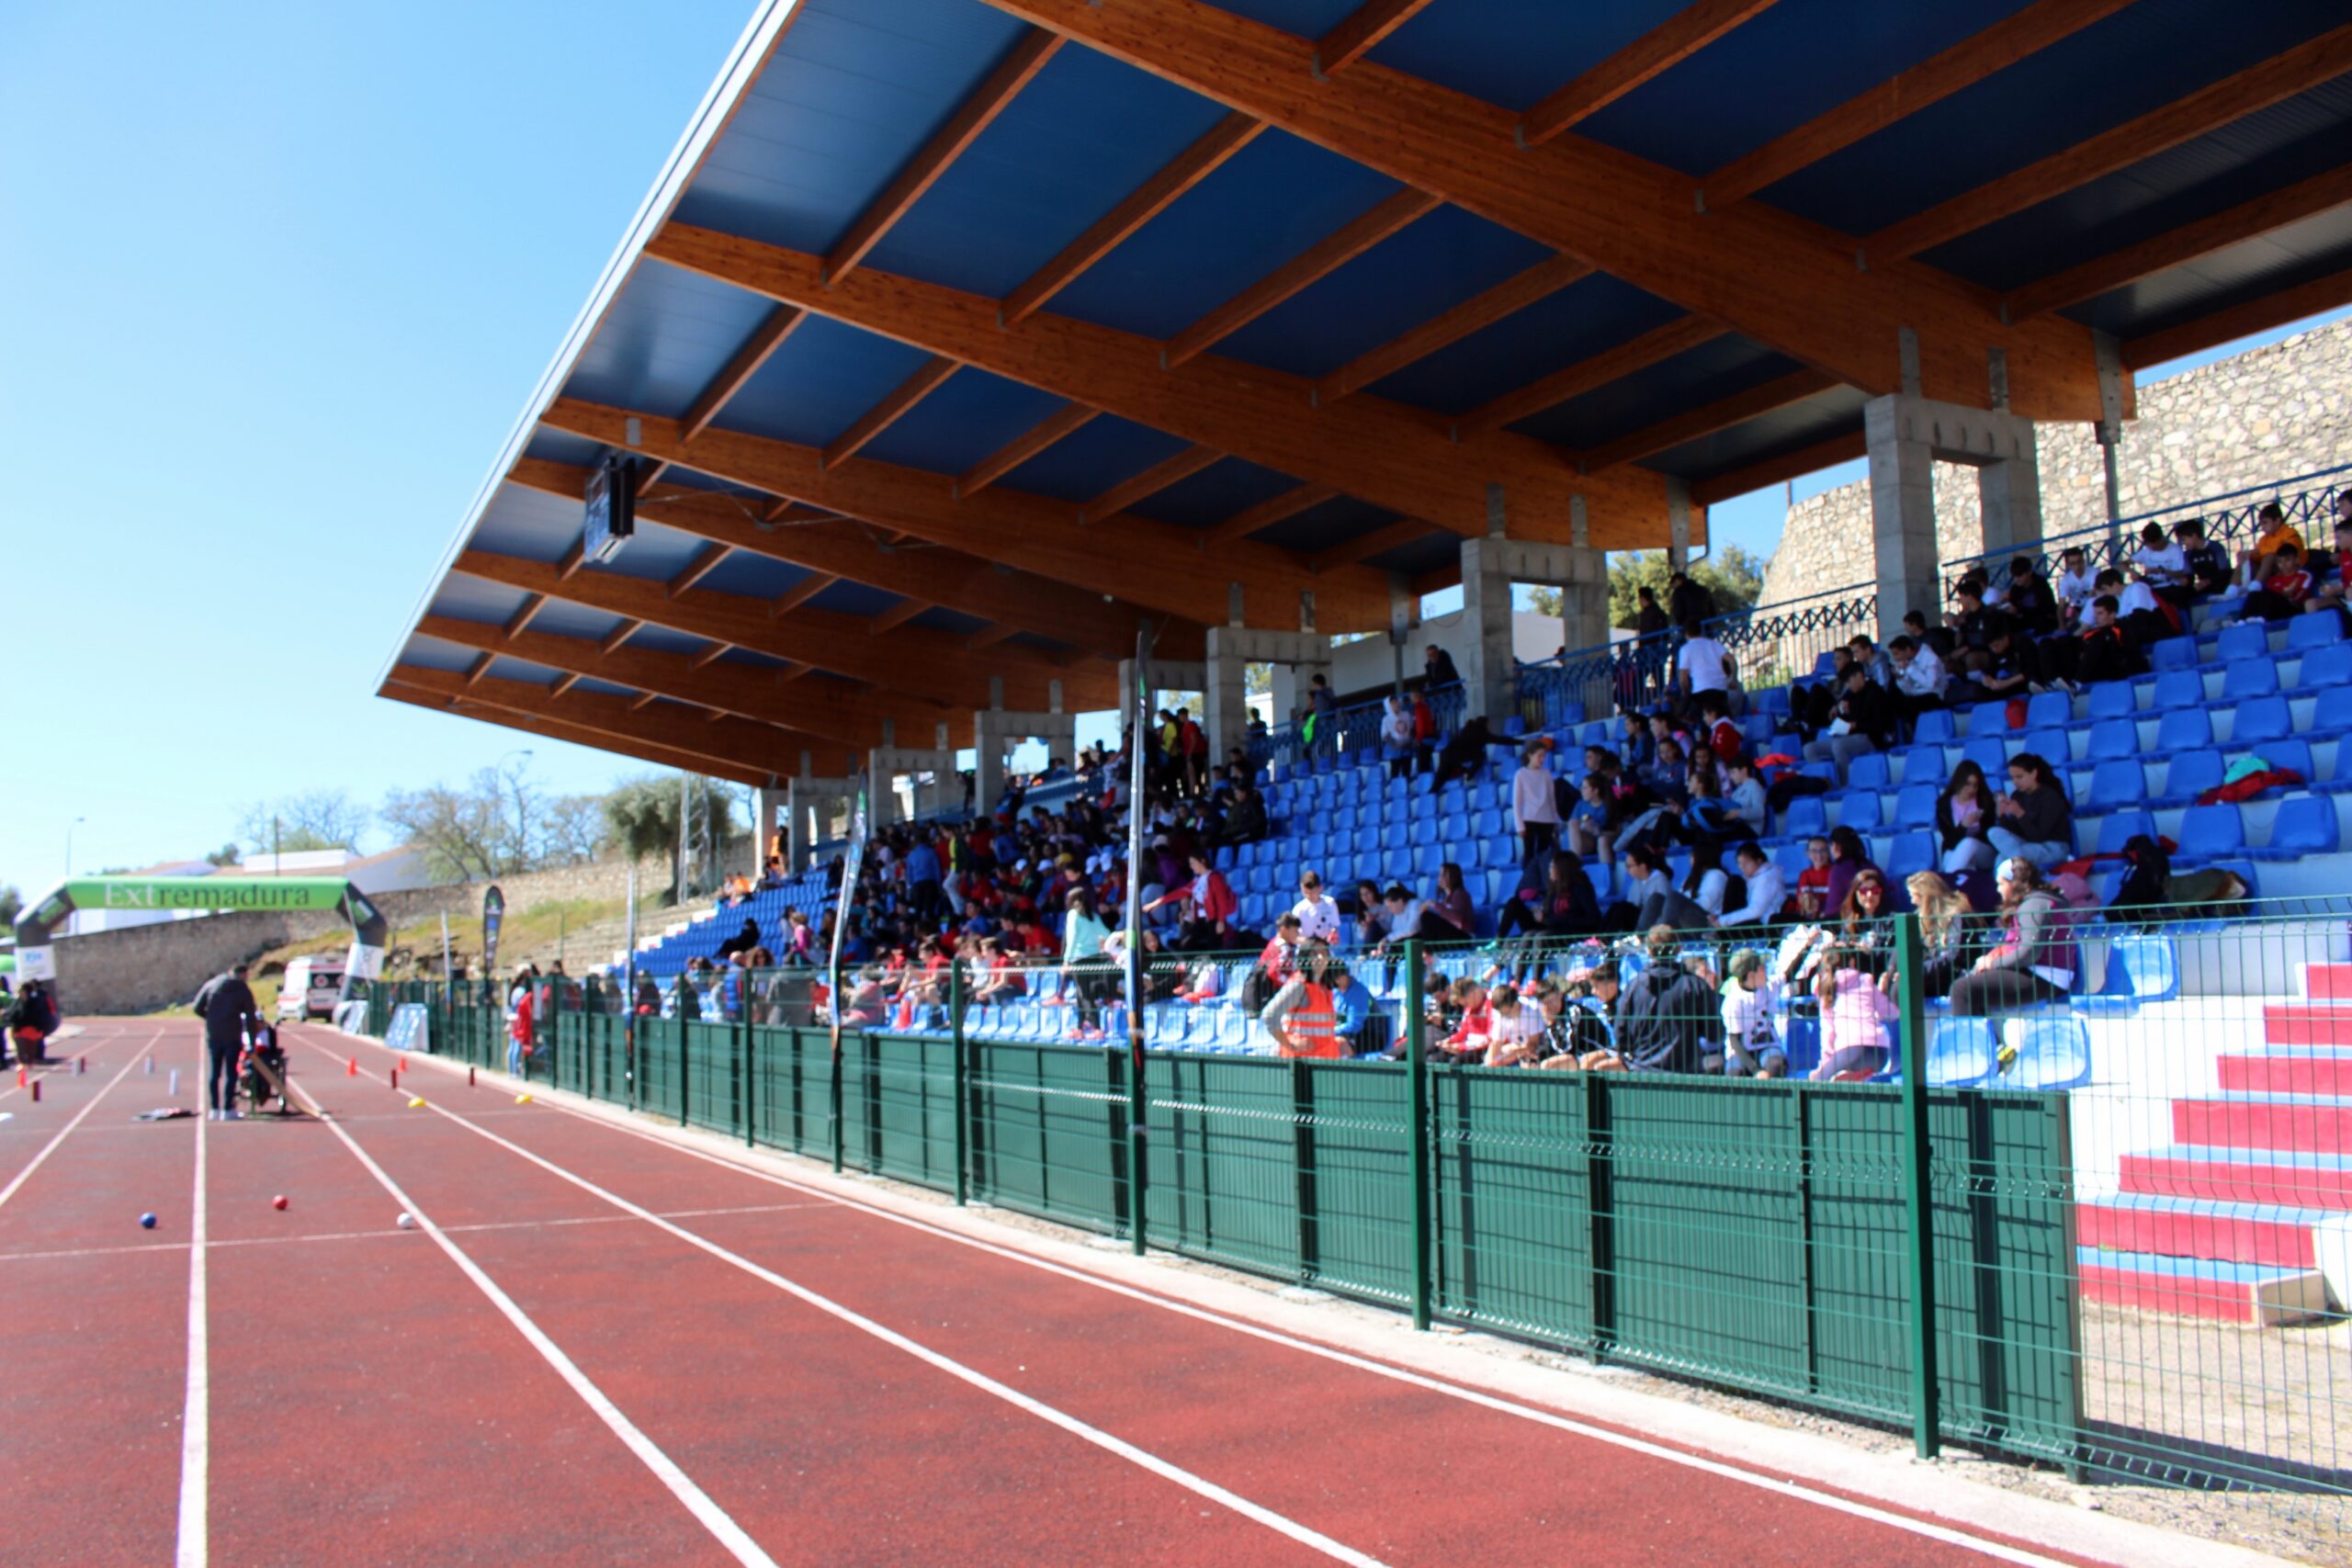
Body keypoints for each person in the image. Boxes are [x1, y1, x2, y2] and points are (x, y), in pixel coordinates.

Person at [1949, 859, 2077, 1019]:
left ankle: (1967, 1043)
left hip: (2046, 977)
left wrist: (1992, 964)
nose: (1998, 889)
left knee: (1962, 989)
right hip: (2039, 972)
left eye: (2001, 884)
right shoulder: (2033, 902)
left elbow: (2030, 952)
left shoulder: (2033, 905)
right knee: (1973, 984)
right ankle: (1991, 1042)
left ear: (2014, 883)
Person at [1577, 928, 1715, 1075]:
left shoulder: (1634, 987)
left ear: (1648, 950)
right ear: (1679, 949)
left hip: (1644, 1073)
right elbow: (1714, 1033)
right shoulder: (1695, 985)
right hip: (1687, 1074)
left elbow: (1621, 1036)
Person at [1811, 947, 1898, 1081]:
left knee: (1818, 1085)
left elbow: (1828, 1032)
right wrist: (1885, 991)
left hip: (1851, 1049)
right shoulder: (1866, 980)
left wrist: (1823, 1067)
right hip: (1881, 1052)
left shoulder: (1826, 987)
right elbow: (1893, 1013)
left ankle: (1851, 1074)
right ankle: (1858, 1075)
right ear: (1852, 962)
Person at [197, 963, 260, 1121]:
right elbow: (251, 1017)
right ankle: (227, 1109)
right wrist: (252, 1042)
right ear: (243, 974)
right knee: (231, 1072)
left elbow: (197, 1007)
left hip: (214, 1034)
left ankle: (214, 1109)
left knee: (214, 1072)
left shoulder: (211, 984)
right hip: (232, 1035)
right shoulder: (241, 989)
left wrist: (211, 1018)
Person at [1990, 753, 2074, 868]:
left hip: (2053, 846)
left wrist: (2020, 814)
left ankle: (2017, 872)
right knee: (1994, 833)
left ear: (2034, 774)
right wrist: (2002, 815)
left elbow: (2040, 837)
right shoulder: (2017, 796)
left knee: (2007, 857)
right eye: (2012, 778)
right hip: (2027, 846)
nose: (2015, 782)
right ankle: (2008, 880)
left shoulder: (2049, 797)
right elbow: (2016, 833)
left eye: (2019, 777)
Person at [1905, 872, 1976, 999]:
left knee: (1905, 985)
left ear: (1926, 897)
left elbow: (1953, 957)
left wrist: (1918, 970)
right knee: (1901, 984)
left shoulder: (1957, 916)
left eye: (1914, 896)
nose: (1912, 902)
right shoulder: (1924, 920)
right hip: (1935, 975)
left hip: (1954, 976)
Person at [1719, 949, 1783, 1077]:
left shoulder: (1768, 987)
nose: (1766, 970)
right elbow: (1735, 1041)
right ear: (1751, 975)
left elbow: (1790, 971)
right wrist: (1756, 1070)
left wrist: (1807, 945)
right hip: (1741, 1051)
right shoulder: (1733, 1001)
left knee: (1776, 1064)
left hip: (1766, 1046)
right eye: (1762, 968)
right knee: (1735, 1074)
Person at [1061, 887, 1114, 1040]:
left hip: (1079, 959)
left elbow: (1071, 939)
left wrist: (1066, 960)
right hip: (1095, 958)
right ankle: (1079, 1027)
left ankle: (1097, 1028)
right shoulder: (1094, 916)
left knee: (1085, 994)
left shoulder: (1073, 915)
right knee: (1081, 993)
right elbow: (1106, 934)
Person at [1936, 760, 1997, 876]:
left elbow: (1990, 835)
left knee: (1968, 843)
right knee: (1955, 858)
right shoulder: (1944, 805)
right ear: (1958, 782)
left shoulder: (1985, 801)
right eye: (1968, 784)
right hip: (1955, 850)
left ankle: (1946, 885)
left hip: (1983, 852)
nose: (1972, 789)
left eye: (1975, 785)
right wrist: (1963, 826)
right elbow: (1949, 841)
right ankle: (1956, 887)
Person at [1718, 840, 1785, 929]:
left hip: (1764, 924)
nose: (1742, 868)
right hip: (1753, 920)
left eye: (1746, 863)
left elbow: (1756, 911)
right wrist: (1718, 916)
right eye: (1740, 864)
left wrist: (1724, 920)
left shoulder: (1768, 877)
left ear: (1758, 861)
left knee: (1734, 881)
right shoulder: (1750, 877)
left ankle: (1721, 932)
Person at [1511, 743, 1559, 861]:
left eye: (1544, 756)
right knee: (1529, 854)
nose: (1543, 759)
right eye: (1540, 755)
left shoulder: (1546, 774)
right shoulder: (1521, 774)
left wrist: (1555, 819)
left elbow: (1551, 799)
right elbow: (1517, 803)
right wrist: (1519, 826)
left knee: (1543, 854)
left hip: (1547, 819)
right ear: (1530, 756)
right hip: (1529, 818)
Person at [5, 979, 58, 1068]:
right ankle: (22, 1067)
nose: (19, 993)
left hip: (32, 1029)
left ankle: (29, 1064)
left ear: (25, 991)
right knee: (20, 1050)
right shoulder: (18, 1001)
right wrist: (7, 1015)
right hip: (19, 1029)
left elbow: (39, 1014)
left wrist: (41, 1027)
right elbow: (12, 1011)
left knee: (30, 1051)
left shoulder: (36, 1001)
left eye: (21, 991)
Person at [1676, 619, 1731, 702]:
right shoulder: (1714, 644)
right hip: (1720, 688)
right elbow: (1732, 660)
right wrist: (1733, 678)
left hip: (1700, 689)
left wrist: (1685, 692)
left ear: (1686, 634)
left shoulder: (1685, 649)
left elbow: (1683, 679)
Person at [1291, 870, 1341, 945]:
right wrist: (1311, 944)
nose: (1309, 896)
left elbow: (1335, 927)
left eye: (1312, 892)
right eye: (1306, 892)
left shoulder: (1330, 904)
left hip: (1326, 950)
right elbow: (1293, 938)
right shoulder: (1298, 909)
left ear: (1320, 888)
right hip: (1306, 951)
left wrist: (1334, 936)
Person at [1380, 696, 1415, 780]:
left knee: (1407, 772)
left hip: (1407, 748)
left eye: (1397, 702)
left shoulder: (1407, 715)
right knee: (1395, 772)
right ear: (1389, 705)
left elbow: (1412, 729)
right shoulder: (1386, 719)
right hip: (1395, 751)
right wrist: (1396, 744)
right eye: (1393, 703)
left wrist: (1410, 741)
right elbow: (1385, 735)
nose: (1396, 704)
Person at [507, 972, 536, 1077]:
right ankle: (515, 1072)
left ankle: (511, 1070)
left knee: (512, 1045)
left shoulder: (514, 990)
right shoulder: (522, 991)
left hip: (513, 1019)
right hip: (520, 1020)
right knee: (517, 1046)